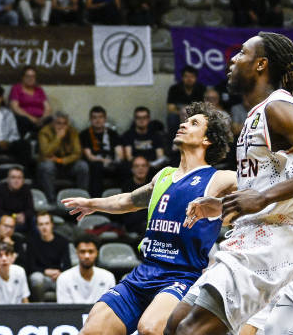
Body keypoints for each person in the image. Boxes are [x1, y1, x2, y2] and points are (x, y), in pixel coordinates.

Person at [168, 32, 293, 335]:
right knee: (175, 323)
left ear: (261, 64)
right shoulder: (256, 114)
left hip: (275, 244)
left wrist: (263, 198)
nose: (233, 59)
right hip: (251, 236)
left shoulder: (279, 108)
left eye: (242, 53)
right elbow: (273, 178)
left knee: (188, 331)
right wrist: (227, 203)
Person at [63, 102, 233, 335]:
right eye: (185, 120)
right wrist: (91, 204)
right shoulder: (163, 176)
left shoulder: (219, 178)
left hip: (182, 275)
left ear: (207, 140)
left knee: (151, 328)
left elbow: (257, 190)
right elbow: (129, 201)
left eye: (194, 123)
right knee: (93, 328)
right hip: (146, 270)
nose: (183, 124)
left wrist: (220, 206)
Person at [38, 112, 89, 202]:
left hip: (68, 164)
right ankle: (51, 200)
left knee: (83, 166)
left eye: (64, 123)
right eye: (58, 123)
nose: (62, 126)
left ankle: (81, 199)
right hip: (51, 165)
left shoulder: (72, 131)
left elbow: (77, 153)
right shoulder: (44, 132)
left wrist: (61, 160)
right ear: (53, 123)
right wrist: (58, 138)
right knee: (47, 166)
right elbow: (45, 152)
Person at [79, 105, 125, 196]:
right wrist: (104, 161)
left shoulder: (112, 133)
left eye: (100, 117)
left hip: (111, 163)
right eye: (94, 117)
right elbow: (90, 157)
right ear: (90, 119)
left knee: (124, 166)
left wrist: (115, 161)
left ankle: (124, 199)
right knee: (96, 167)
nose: (98, 120)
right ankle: (96, 201)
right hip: (95, 163)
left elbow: (120, 153)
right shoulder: (84, 134)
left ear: (105, 119)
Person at [55, 237, 115, 304]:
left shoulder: (108, 277)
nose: (87, 256)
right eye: (82, 252)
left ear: (97, 253)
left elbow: (110, 308)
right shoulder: (64, 278)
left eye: (91, 251)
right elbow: (65, 310)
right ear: (77, 253)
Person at [27, 211, 71, 302]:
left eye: (47, 224)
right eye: (41, 224)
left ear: (52, 225)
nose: (44, 227)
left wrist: (60, 273)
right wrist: (45, 271)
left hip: (58, 276)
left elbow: (67, 265)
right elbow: (30, 266)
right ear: (37, 227)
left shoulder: (62, 241)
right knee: (36, 278)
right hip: (42, 276)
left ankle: (64, 309)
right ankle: (40, 307)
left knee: (67, 278)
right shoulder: (32, 242)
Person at [8, 66, 51, 137]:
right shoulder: (16, 88)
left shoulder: (39, 90)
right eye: (28, 76)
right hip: (25, 118)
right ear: (23, 77)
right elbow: (15, 107)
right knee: (23, 121)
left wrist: (43, 119)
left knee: (53, 120)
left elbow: (48, 108)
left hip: (40, 119)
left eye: (33, 76)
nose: (30, 78)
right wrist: (31, 118)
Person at [167, 66, 207, 135]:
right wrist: (183, 113)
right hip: (179, 115)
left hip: (196, 114)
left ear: (196, 78)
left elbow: (205, 107)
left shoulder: (201, 89)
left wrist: (192, 116)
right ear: (182, 78)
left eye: (192, 76)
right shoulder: (174, 89)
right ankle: (173, 142)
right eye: (186, 76)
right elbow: (171, 108)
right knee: (172, 118)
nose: (189, 79)